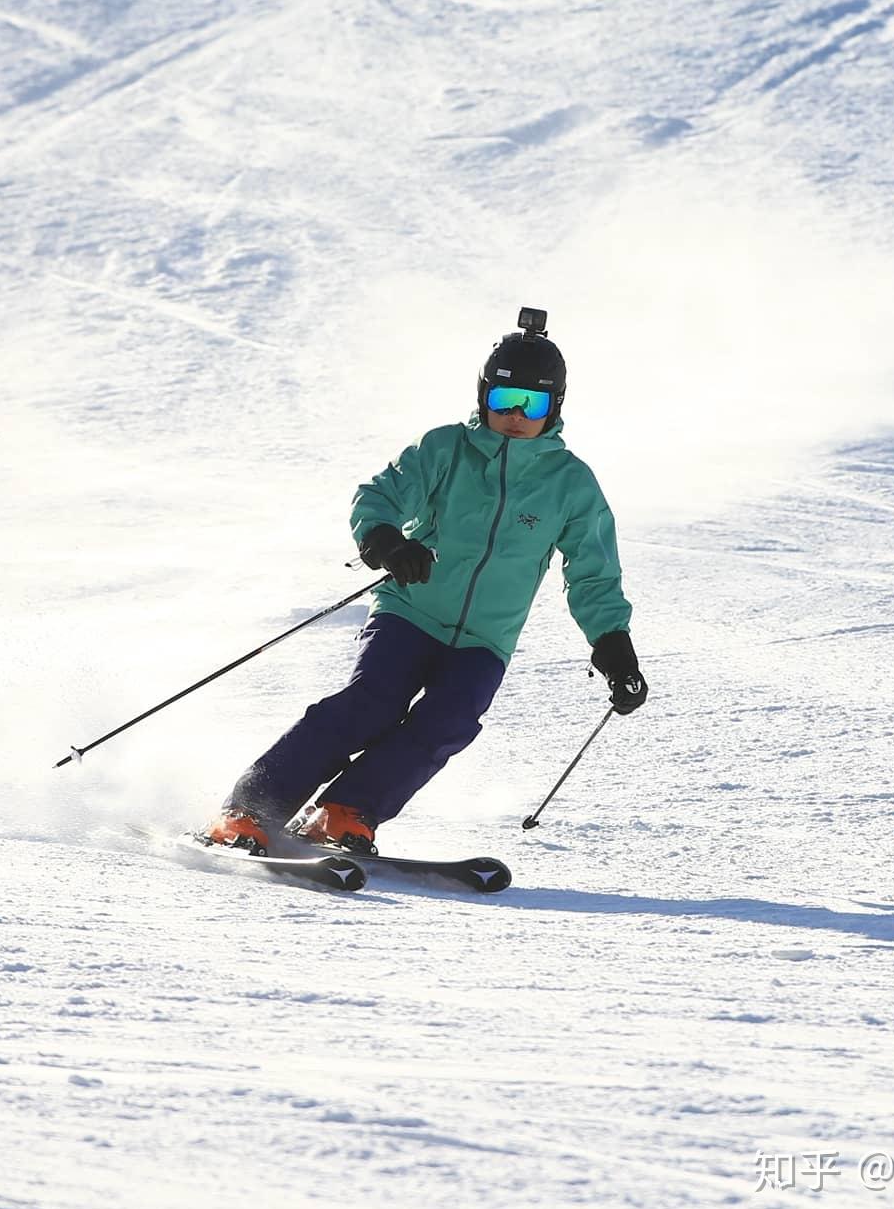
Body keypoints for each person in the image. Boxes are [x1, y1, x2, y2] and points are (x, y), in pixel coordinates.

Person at [207, 307, 647, 855]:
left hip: (487, 639)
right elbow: (380, 496)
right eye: (502, 400)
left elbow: (593, 572)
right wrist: (388, 542)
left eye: (530, 403)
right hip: (410, 610)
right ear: (483, 396)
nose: (514, 415)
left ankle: (345, 811)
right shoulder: (446, 449)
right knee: (371, 702)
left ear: (554, 406)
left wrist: (614, 647)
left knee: (447, 723)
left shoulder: (572, 485)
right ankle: (250, 809)